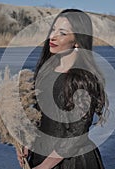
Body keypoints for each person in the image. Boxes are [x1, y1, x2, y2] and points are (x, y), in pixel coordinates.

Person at [17, 9, 108, 169]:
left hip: (72, 161)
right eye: (53, 30)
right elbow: (39, 115)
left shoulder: (83, 79)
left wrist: (45, 167)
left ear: (77, 41)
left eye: (63, 33)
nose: (53, 37)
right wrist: (28, 142)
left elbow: (76, 135)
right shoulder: (46, 71)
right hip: (41, 155)